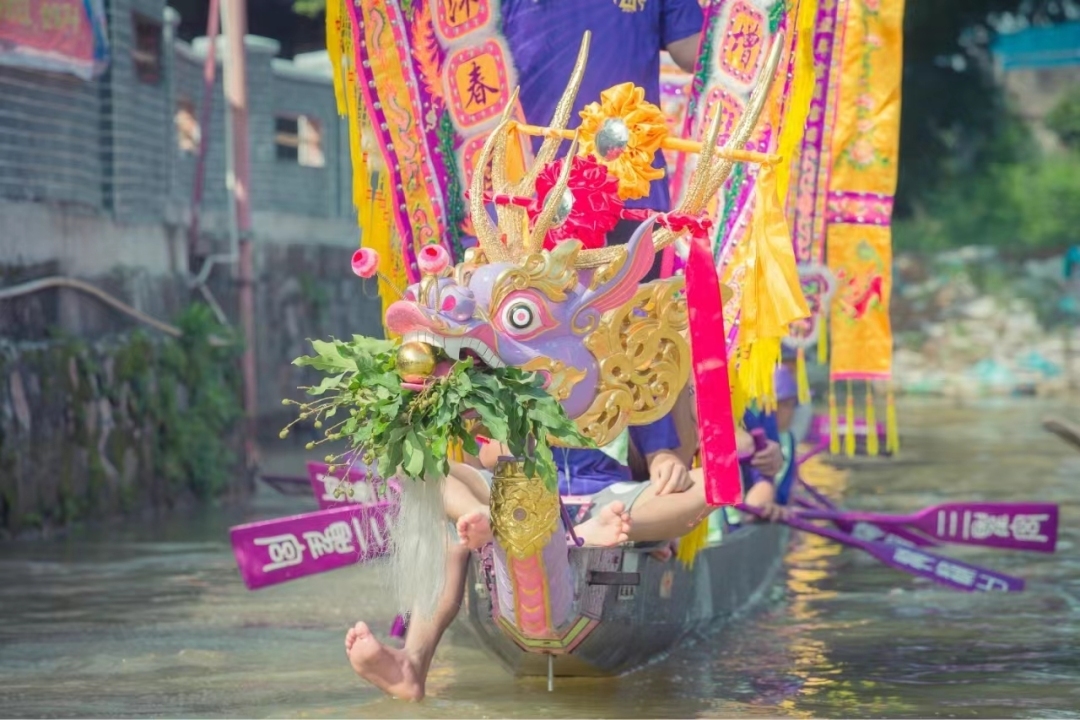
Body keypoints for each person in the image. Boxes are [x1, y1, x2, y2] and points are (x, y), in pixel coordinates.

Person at [502, 0, 705, 279]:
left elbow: (692, 50)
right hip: (532, 190)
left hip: (632, 190)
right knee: (529, 303)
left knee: (638, 304)